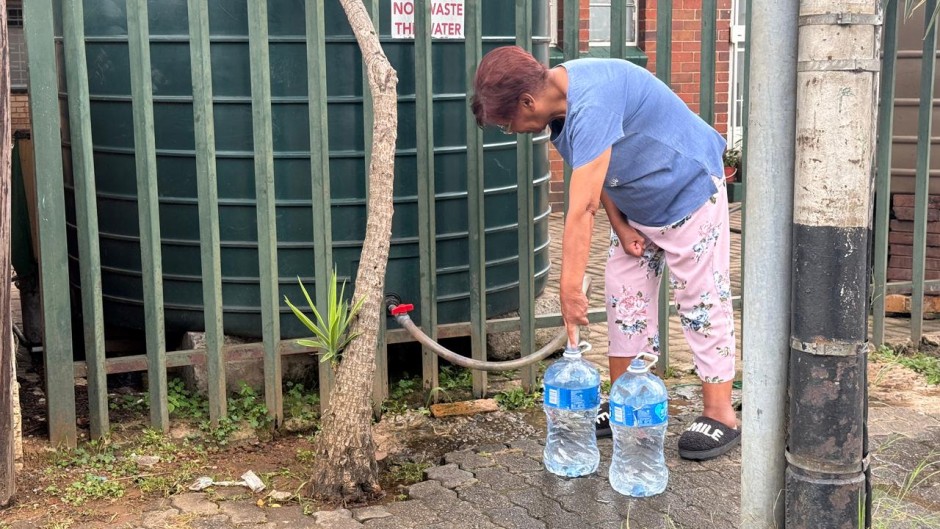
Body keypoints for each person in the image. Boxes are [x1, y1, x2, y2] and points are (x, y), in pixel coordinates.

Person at [471, 46, 739, 461]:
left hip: (688, 192)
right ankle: (624, 404)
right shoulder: (559, 112)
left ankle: (720, 413)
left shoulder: (593, 98)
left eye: (509, 123)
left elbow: (580, 208)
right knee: (623, 298)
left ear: (528, 102)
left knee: (700, 301)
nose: (515, 130)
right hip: (638, 208)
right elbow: (596, 178)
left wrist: (569, 288)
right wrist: (621, 225)